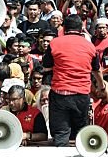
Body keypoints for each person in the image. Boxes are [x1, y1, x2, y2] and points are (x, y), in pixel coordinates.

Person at [42, 14, 98, 146]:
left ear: (64, 28)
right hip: (81, 95)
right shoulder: (90, 46)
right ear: (82, 29)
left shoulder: (54, 43)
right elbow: (96, 70)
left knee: (61, 133)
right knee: (80, 133)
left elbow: (47, 66)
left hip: (60, 95)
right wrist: (101, 86)